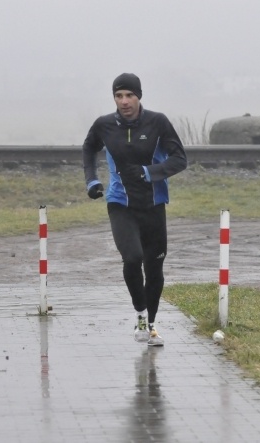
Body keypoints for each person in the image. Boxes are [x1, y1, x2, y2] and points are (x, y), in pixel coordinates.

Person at [83, 73, 188, 347]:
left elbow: (180, 159)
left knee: (154, 268)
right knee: (132, 258)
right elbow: (89, 148)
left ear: (139, 96)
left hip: (154, 204)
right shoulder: (104, 125)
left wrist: (148, 172)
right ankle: (140, 315)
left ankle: (151, 326)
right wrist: (92, 180)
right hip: (120, 203)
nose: (124, 101)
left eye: (129, 95)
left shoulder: (158, 122)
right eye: (118, 96)